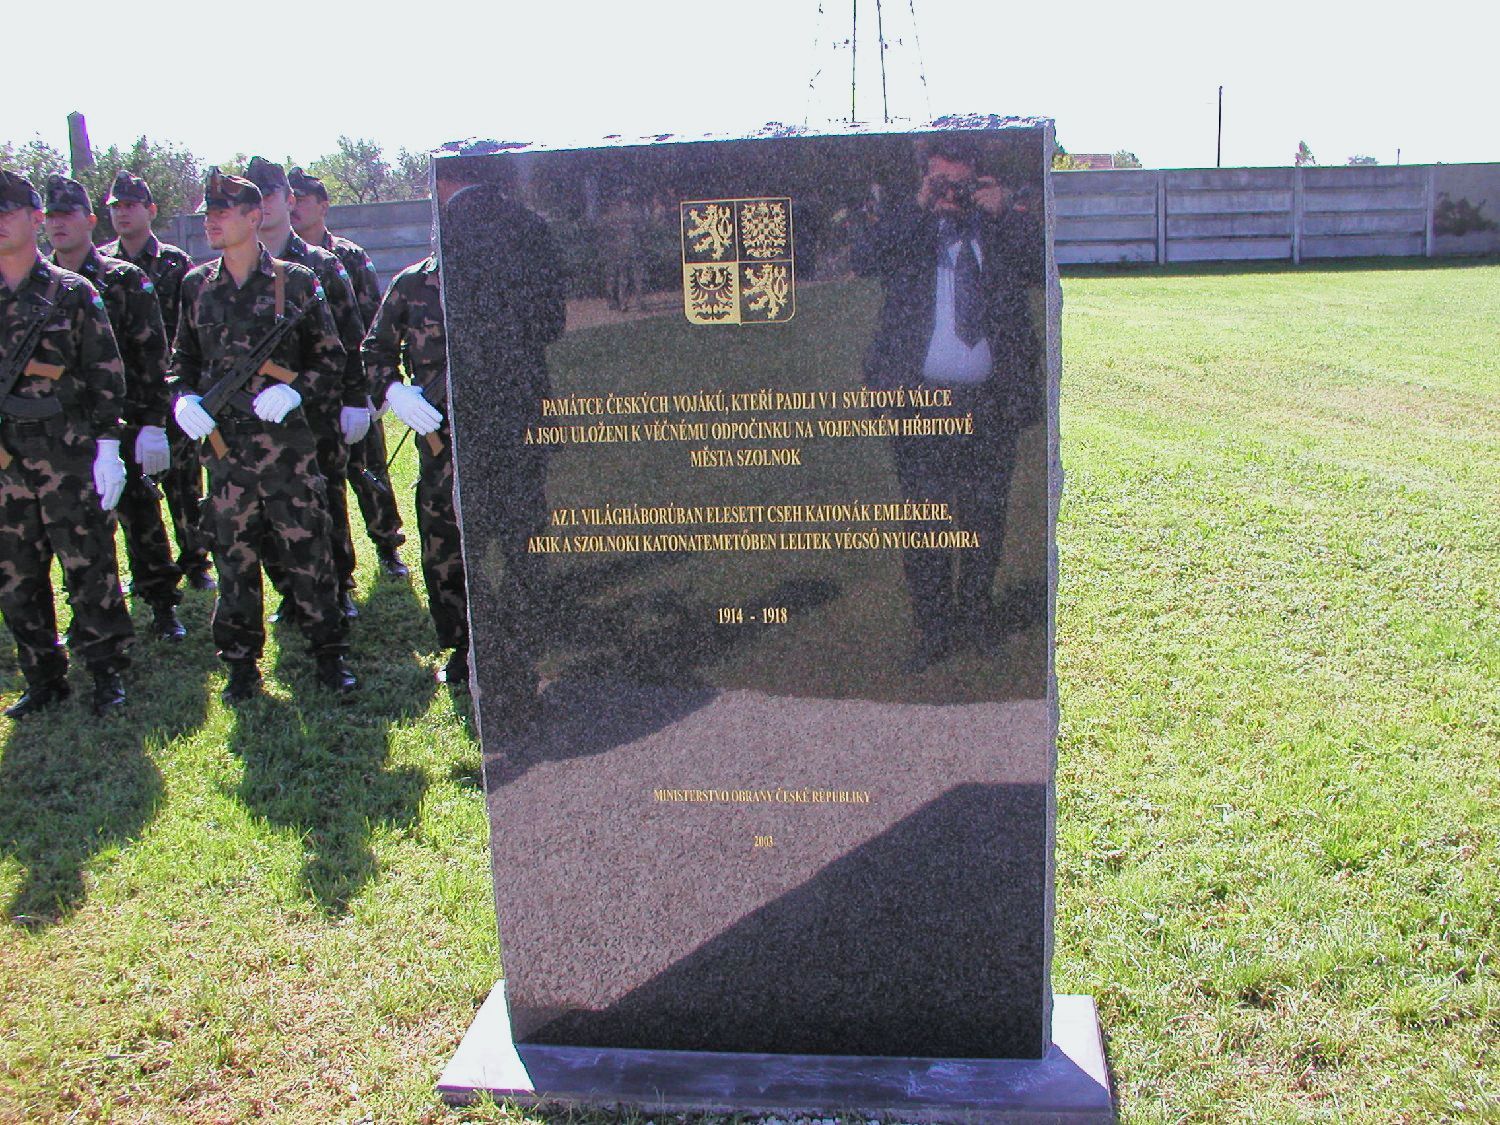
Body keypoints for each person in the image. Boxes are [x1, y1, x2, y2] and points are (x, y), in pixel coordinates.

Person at [852, 137, 1044, 670]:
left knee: (985, 516)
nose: (951, 195)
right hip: (919, 401)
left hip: (990, 399)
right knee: (927, 518)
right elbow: (865, 258)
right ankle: (933, 629)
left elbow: (1042, 267)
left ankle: (977, 618)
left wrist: (1004, 213)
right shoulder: (913, 232)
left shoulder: (997, 232)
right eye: (940, 183)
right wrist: (919, 206)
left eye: (959, 184)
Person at [170, 169, 356, 702]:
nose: (211, 220)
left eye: (223, 211)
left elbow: (331, 356)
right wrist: (181, 399)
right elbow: (180, 363)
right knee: (233, 558)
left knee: (307, 548)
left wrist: (297, 391)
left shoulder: (295, 282)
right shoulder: (195, 287)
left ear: (254, 217)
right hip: (226, 452)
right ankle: (241, 665)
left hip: (286, 450)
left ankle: (329, 653)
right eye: (208, 211)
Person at [0, 170, 133, 717]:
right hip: (5, 458)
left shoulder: (72, 292)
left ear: (34, 219)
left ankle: (106, 673)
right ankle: (43, 677)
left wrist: (108, 447)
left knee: (90, 567)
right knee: (15, 573)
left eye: (7, 212)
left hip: (68, 452)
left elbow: (105, 374)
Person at [44, 175, 186, 642]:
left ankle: (162, 605)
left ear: (87, 220)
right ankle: (86, 611)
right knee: (71, 526)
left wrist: (151, 422)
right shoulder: (36, 285)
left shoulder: (124, 279)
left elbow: (151, 357)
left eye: (67, 215)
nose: (57, 224)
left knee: (141, 514)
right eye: (50, 216)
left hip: (122, 417)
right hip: (60, 427)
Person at [241, 157, 369, 621]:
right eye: (253, 196)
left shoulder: (321, 264)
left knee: (325, 497)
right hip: (257, 419)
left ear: (288, 200)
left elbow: (352, 339)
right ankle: (291, 594)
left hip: (317, 407)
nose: (264, 205)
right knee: (267, 504)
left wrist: (358, 399)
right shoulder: (235, 269)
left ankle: (338, 587)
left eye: (271, 194)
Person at [288, 166, 407, 579]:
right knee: (324, 481)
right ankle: (339, 568)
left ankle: (388, 544)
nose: (295, 206)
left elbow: (373, 320)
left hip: (350, 384)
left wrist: (372, 388)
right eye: (291, 198)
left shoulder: (349, 257)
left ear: (323, 205)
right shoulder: (276, 261)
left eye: (303, 199)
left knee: (370, 468)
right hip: (308, 391)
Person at [99, 170, 212, 591]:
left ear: (150, 210)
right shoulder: (102, 265)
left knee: (185, 481)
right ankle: (146, 566)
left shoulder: (174, 262)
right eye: (116, 207)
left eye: (131, 205)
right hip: (122, 391)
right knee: (132, 489)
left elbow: (190, 326)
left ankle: (196, 561)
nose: (123, 213)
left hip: (170, 387)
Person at [362, 253, 467, 685]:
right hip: (439, 439)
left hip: (509, 431)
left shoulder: (508, 266)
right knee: (443, 541)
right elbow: (374, 350)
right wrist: (394, 391)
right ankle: (464, 645)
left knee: (519, 538)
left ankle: (522, 638)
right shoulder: (412, 283)